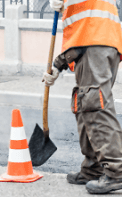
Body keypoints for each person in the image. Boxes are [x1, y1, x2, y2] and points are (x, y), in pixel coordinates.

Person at [43, 0, 122, 194]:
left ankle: (115, 171)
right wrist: (58, 65)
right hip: (96, 40)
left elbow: (85, 26)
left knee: (95, 106)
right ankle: (93, 168)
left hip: (95, 41)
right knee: (86, 106)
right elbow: (80, 31)